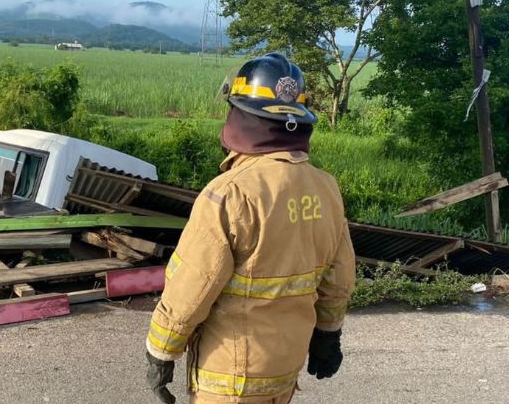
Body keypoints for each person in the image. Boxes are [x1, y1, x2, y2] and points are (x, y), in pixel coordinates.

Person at [144, 53, 356, 404]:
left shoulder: (229, 193)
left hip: (229, 378)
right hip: (285, 369)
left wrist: (161, 352)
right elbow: (339, 277)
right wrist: (328, 334)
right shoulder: (325, 187)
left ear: (240, 118)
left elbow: (191, 287)